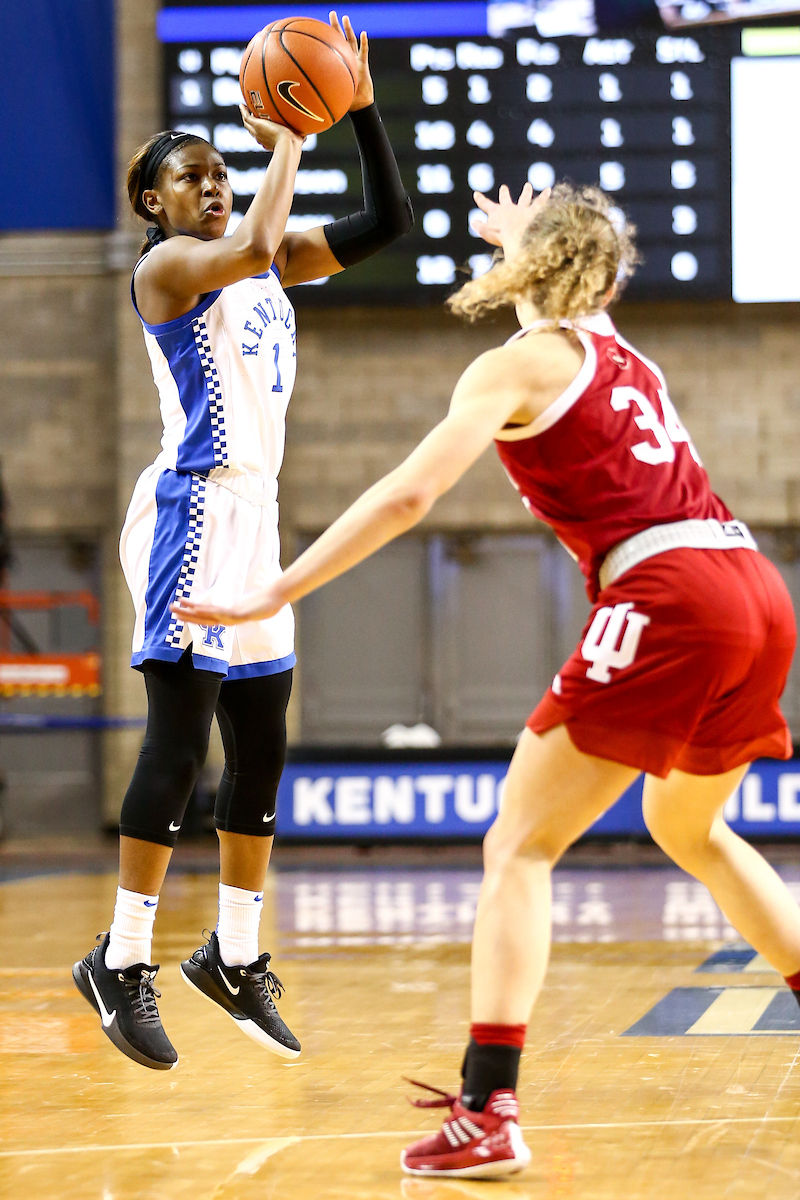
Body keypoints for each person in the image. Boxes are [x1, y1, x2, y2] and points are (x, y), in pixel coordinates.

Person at [172, 179, 800, 1177]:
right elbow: (574, 277)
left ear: (526, 266)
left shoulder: (512, 368)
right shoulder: (628, 358)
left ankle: (486, 1108)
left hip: (670, 592)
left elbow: (411, 493)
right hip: (754, 587)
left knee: (516, 843)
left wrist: (276, 587)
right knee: (690, 827)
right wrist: (533, 236)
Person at [72, 13, 413, 1072]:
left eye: (222, 170)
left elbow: (384, 221)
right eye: (191, 174)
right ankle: (120, 960)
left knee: (260, 743)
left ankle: (233, 951)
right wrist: (289, 132)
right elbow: (259, 240)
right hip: (192, 511)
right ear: (152, 202)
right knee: (179, 742)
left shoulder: (256, 267)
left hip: (255, 515)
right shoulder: (172, 270)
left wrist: (356, 111)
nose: (212, 184)